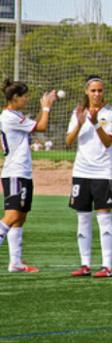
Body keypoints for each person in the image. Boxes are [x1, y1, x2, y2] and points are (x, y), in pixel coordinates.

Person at [66, 75, 112, 278]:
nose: (97, 94)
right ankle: (85, 264)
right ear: (86, 92)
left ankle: (106, 266)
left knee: (104, 218)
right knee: (83, 219)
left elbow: (108, 143)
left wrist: (96, 123)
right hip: (81, 172)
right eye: (93, 90)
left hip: (103, 172)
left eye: (100, 90)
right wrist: (80, 123)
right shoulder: (78, 112)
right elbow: (69, 141)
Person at [0, 80, 57, 272]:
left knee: (21, 217)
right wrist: (46, 107)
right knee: (12, 215)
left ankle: (15, 262)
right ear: (15, 98)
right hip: (14, 171)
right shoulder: (9, 117)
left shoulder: (16, 115)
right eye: (24, 96)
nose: (26, 99)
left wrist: (44, 108)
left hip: (23, 171)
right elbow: (42, 127)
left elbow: (36, 125)